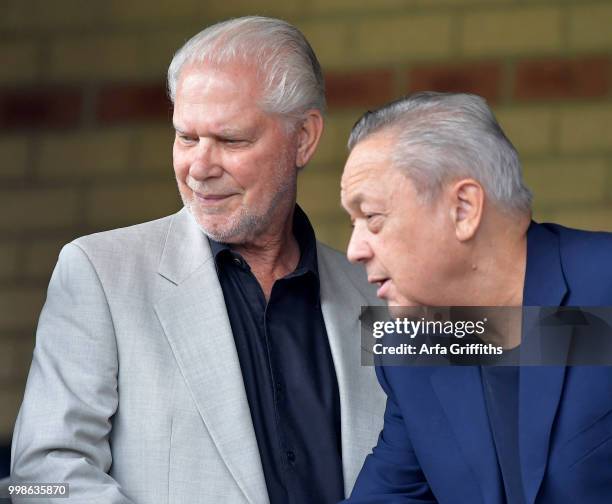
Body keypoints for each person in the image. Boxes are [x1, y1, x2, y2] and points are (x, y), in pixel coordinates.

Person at [11, 17, 385, 503]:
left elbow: (504, 343)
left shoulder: (380, 290)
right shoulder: (99, 274)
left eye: (231, 140)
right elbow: (42, 475)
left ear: (304, 139)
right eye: (186, 137)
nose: (199, 168)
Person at [340, 92, 612, 503]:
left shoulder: (604, 287)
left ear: (464, 208)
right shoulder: (408, 346)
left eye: (372, 217)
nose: (353, 249)